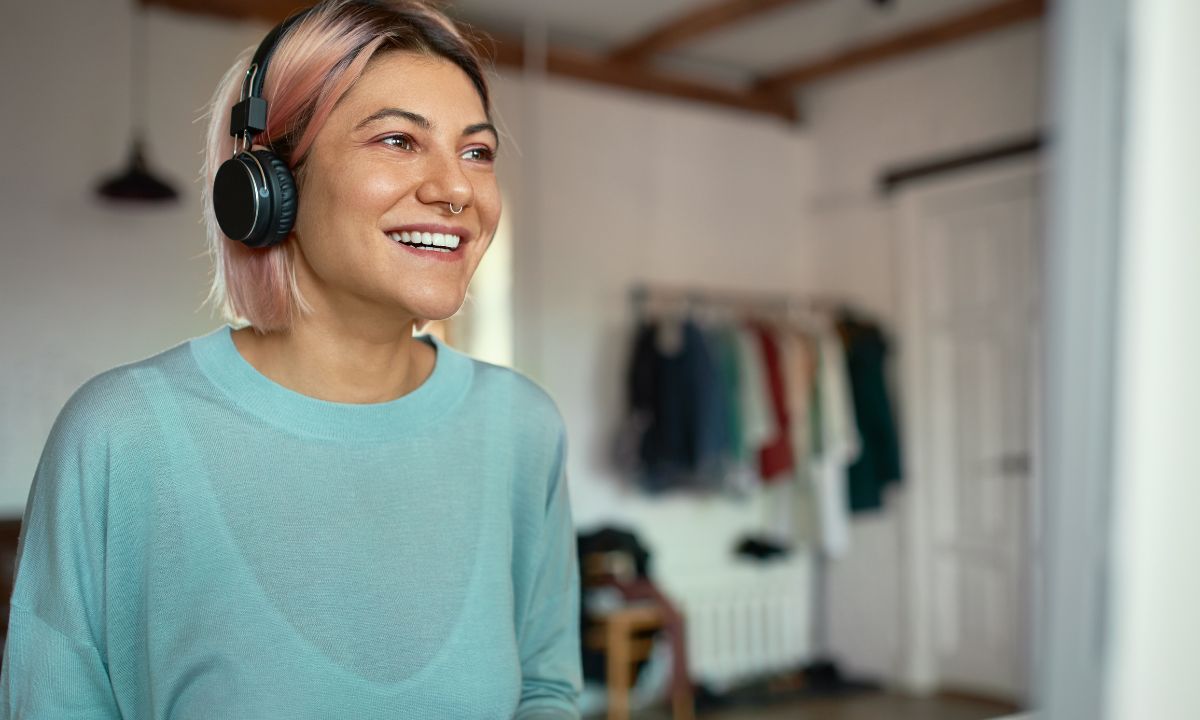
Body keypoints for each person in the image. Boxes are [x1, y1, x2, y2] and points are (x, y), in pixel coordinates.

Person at [0, 1, 582, 717]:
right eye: (399, 140)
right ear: (269, 183)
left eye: (477, 151)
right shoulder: (121, 436)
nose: (457, 189)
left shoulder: (522, 428)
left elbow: (548, 692)